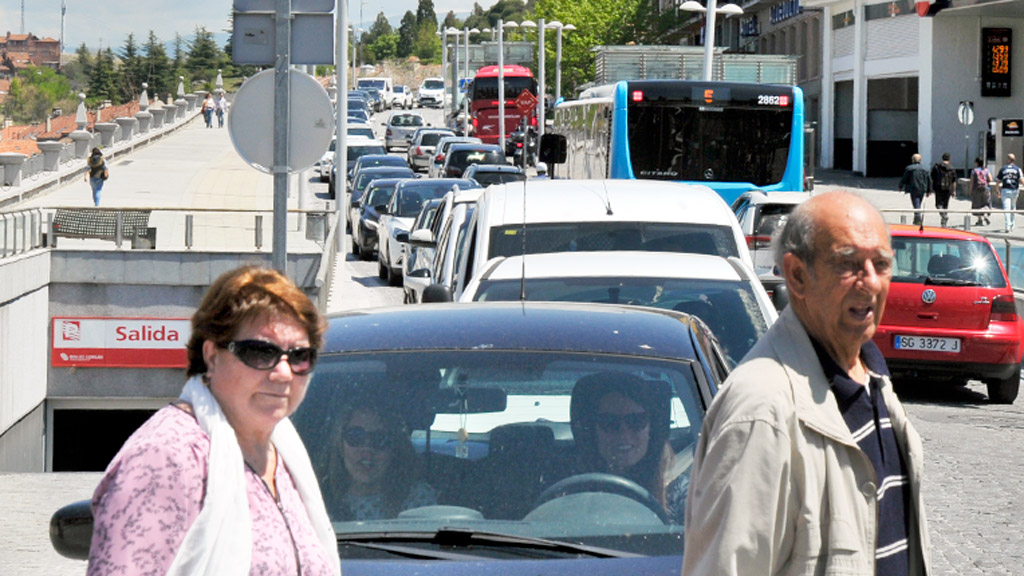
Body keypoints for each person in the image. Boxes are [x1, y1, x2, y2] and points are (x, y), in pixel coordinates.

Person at [682, 191, 930, 576]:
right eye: (848, 264)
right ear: (797, 275)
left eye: (880, 264)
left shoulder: (874, 380)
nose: (870, 283)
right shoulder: (761, 411)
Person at [88, 266, 340, 576]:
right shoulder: (167, 457)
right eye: (260, 352)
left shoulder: (283, 454)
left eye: (300, 356)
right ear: (211, 355)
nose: (284, 373)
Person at [570, 371, 687, 524]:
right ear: (593, 431)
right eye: (609, 423)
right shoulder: (569, 485)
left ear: (651, 429)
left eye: (636, 421)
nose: (624, 434)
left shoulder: (679, 491)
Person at [323, 399, 437, 520]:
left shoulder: (416, 500)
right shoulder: (318, 500)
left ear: (394, 449)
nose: (367, 449)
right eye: (355, 436)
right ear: (340, 444)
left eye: (379, 439)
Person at [898, 153, 931, 225]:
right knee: (918, 203)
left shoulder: (909, 168)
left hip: (913, 189)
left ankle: (918, 219)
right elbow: (929, 180)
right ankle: (916, 219)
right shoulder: (925, 169)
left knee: (916, 204)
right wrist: (929, 190)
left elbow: (904, 179)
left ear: (913, 160)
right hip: (922, 189)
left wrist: (900, 186)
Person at [997, 153, 1022, 232]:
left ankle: (1007, 226)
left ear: (1008, 159)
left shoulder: (1003, 169)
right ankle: (1012, 224)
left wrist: (997, 190)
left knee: (1006, 209)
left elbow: (998, 181)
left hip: (1005, 190)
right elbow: (1022, 180)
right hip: (1014, 190)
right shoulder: (1018, 169)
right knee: (1013, 207)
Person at [930, 152, 957, 227]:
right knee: (945, 205)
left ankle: (943, 217)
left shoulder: (937, 166)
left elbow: (932, 177)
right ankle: (944, 221)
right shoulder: (952, 168)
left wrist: (930, 188)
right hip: (948, 188)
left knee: (938, 204)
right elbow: (954, 181)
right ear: (949, 159)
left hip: (938, 187)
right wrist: (954, 191)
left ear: (942, 158)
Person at [971, 157, 995, 225]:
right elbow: (991, 179)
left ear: (976, 163)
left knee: (977, 205)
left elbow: (972, 182)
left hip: (976, 189)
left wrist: (970, 191)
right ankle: (985, 215)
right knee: (986, 204)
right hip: (986, 189)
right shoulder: (986, 170)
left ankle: (980, 220)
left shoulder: (974, 171)